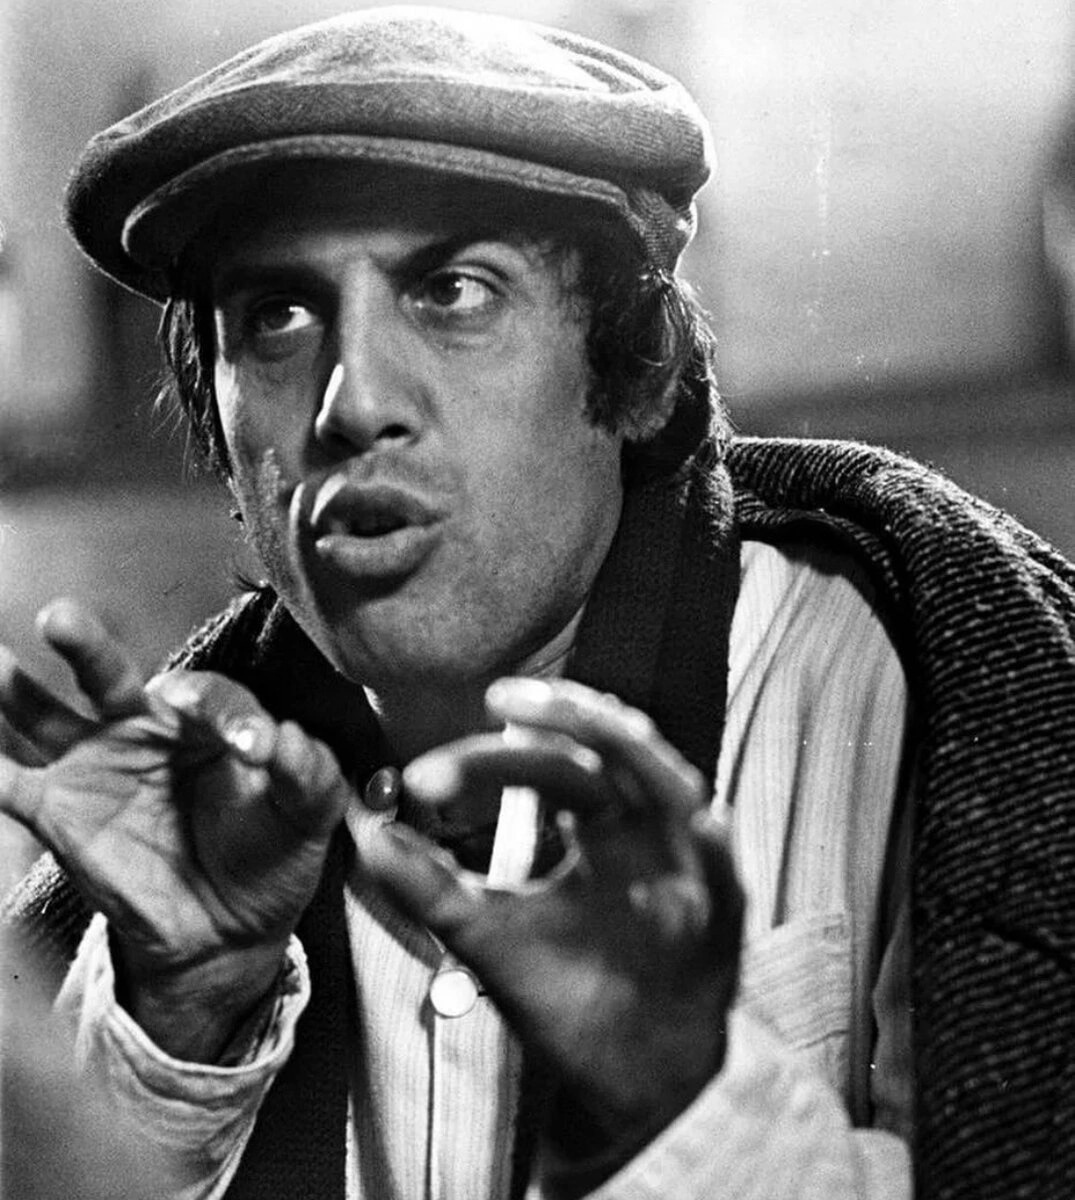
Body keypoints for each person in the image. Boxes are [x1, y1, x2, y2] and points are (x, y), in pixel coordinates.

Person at [0, 8, 1072, 1199]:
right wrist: (185, 1009)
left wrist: (686, 1110)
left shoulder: (922, 697)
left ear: (638, 364)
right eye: (276, 316)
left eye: (452, 291)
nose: (352, 403)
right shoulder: (196, 818)